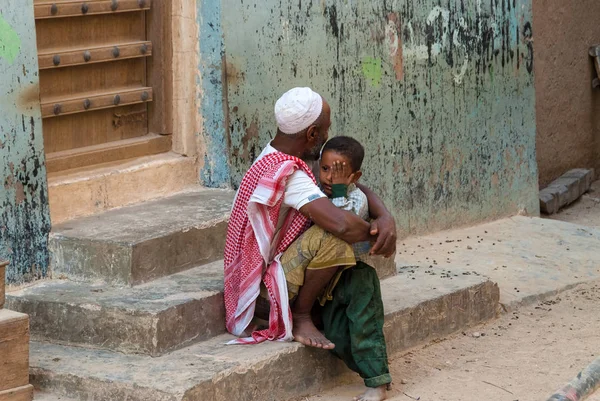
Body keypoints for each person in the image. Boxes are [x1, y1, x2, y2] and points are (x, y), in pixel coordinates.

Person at [223, 87, 397, 351]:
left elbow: (356, 188)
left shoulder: (285, 153)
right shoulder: (290, 174)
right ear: (312, 134)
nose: (328, 135)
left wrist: (384, 216)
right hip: (263, 292)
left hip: (270, 270)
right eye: (326, 129)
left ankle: (314, 309)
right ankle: (302, 315)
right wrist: (379, 234)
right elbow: (341, 224)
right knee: (334, 238)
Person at [318, 136, 392, 401]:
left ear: (354, 176)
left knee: (364, 327)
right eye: (325, 169)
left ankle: (377, 382)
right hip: (327, 278)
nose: (329, 178)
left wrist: (339, 190)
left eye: (338, 173)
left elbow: (342, 223)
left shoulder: (357, 198)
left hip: (355, 276)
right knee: (337, 332)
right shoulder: (315, 192)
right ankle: (366, 370)